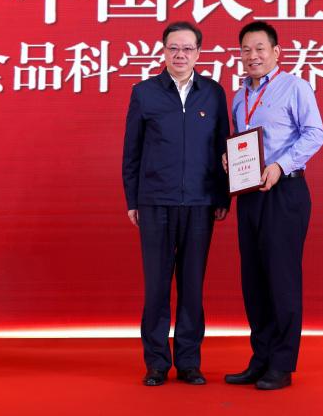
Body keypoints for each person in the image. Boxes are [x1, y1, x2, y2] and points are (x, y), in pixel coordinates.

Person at [122, 21, 230, 387]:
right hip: (155, 202)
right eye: (173, 48)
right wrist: (133, 199)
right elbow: (132, 152)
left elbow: (223, 147)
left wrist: (222, 195)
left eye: (187, 48)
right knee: (156, 286)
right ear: (164, 51)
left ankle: (188, 362)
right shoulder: (144, 93)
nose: (180, 54)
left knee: (192, 286)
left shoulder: (212, 93)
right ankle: (156, 362)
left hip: (200, 203)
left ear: (199, 53)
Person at [224, 21, 323, 390]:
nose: (253, 56)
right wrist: (229, 159)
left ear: (276, 52)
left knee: (281, 279)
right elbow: (242, 141)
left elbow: (315, 133)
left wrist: (281, 166)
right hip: (250, 195)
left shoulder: (295, 87)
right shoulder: (239, 96)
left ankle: (282, 365)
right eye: (246, 50)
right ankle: (261, 358)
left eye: (260, 49)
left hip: (285, 192)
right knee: (254, 281)